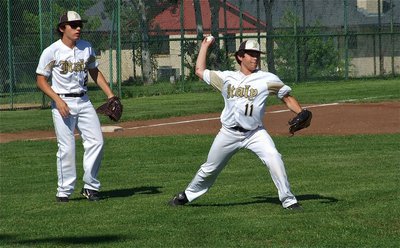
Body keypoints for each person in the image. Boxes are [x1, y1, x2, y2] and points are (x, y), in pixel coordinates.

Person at [169, 38, 305, 210]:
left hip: (255, 133)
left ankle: (289, 200)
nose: (255, 58)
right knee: (209, 169)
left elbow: (287, 97)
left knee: (274, 158)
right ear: (240, 57)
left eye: (257, 55)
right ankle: (186, 196)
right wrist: (204, 46)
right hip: (228, 133)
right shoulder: (226, 78)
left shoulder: (268, 79)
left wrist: (301, 112)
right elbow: (199, 70)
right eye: (251, 55)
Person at [36, 11, 116, 202]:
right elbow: (41, 80)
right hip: (63, 102)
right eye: (73, 25)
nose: (78, 28)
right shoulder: (52, 51)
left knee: (97, 142)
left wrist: (110, 94)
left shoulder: (86, 47)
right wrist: (58, 100)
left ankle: (90, 186)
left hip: (84, 100)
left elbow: (94, 72)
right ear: (62, 28)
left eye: (80, 24)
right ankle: (64, 191)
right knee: (67, 147)